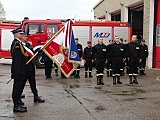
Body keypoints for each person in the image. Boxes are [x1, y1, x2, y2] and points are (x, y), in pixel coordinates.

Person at [21, 34, 45, 103]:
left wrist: (38, 51)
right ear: (21, 37)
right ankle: (19, 96)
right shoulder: (20, 45)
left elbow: (32, 53)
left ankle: (36, 96)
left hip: (31, 67)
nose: (26, 37)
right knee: (22, 83)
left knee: (33, 83)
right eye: (25, 36)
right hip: (25, 67)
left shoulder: (27, 45)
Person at [10, 29, 28, 112]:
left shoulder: (19, 43)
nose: (22, 35)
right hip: (18, 70)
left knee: (19, 87)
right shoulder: (16, 44)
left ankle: (18, 103)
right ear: (16, 34)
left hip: (20, 69)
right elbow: (17, 60)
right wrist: (16, 71)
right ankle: (16, 106)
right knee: (17, 87)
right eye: (21, 34)